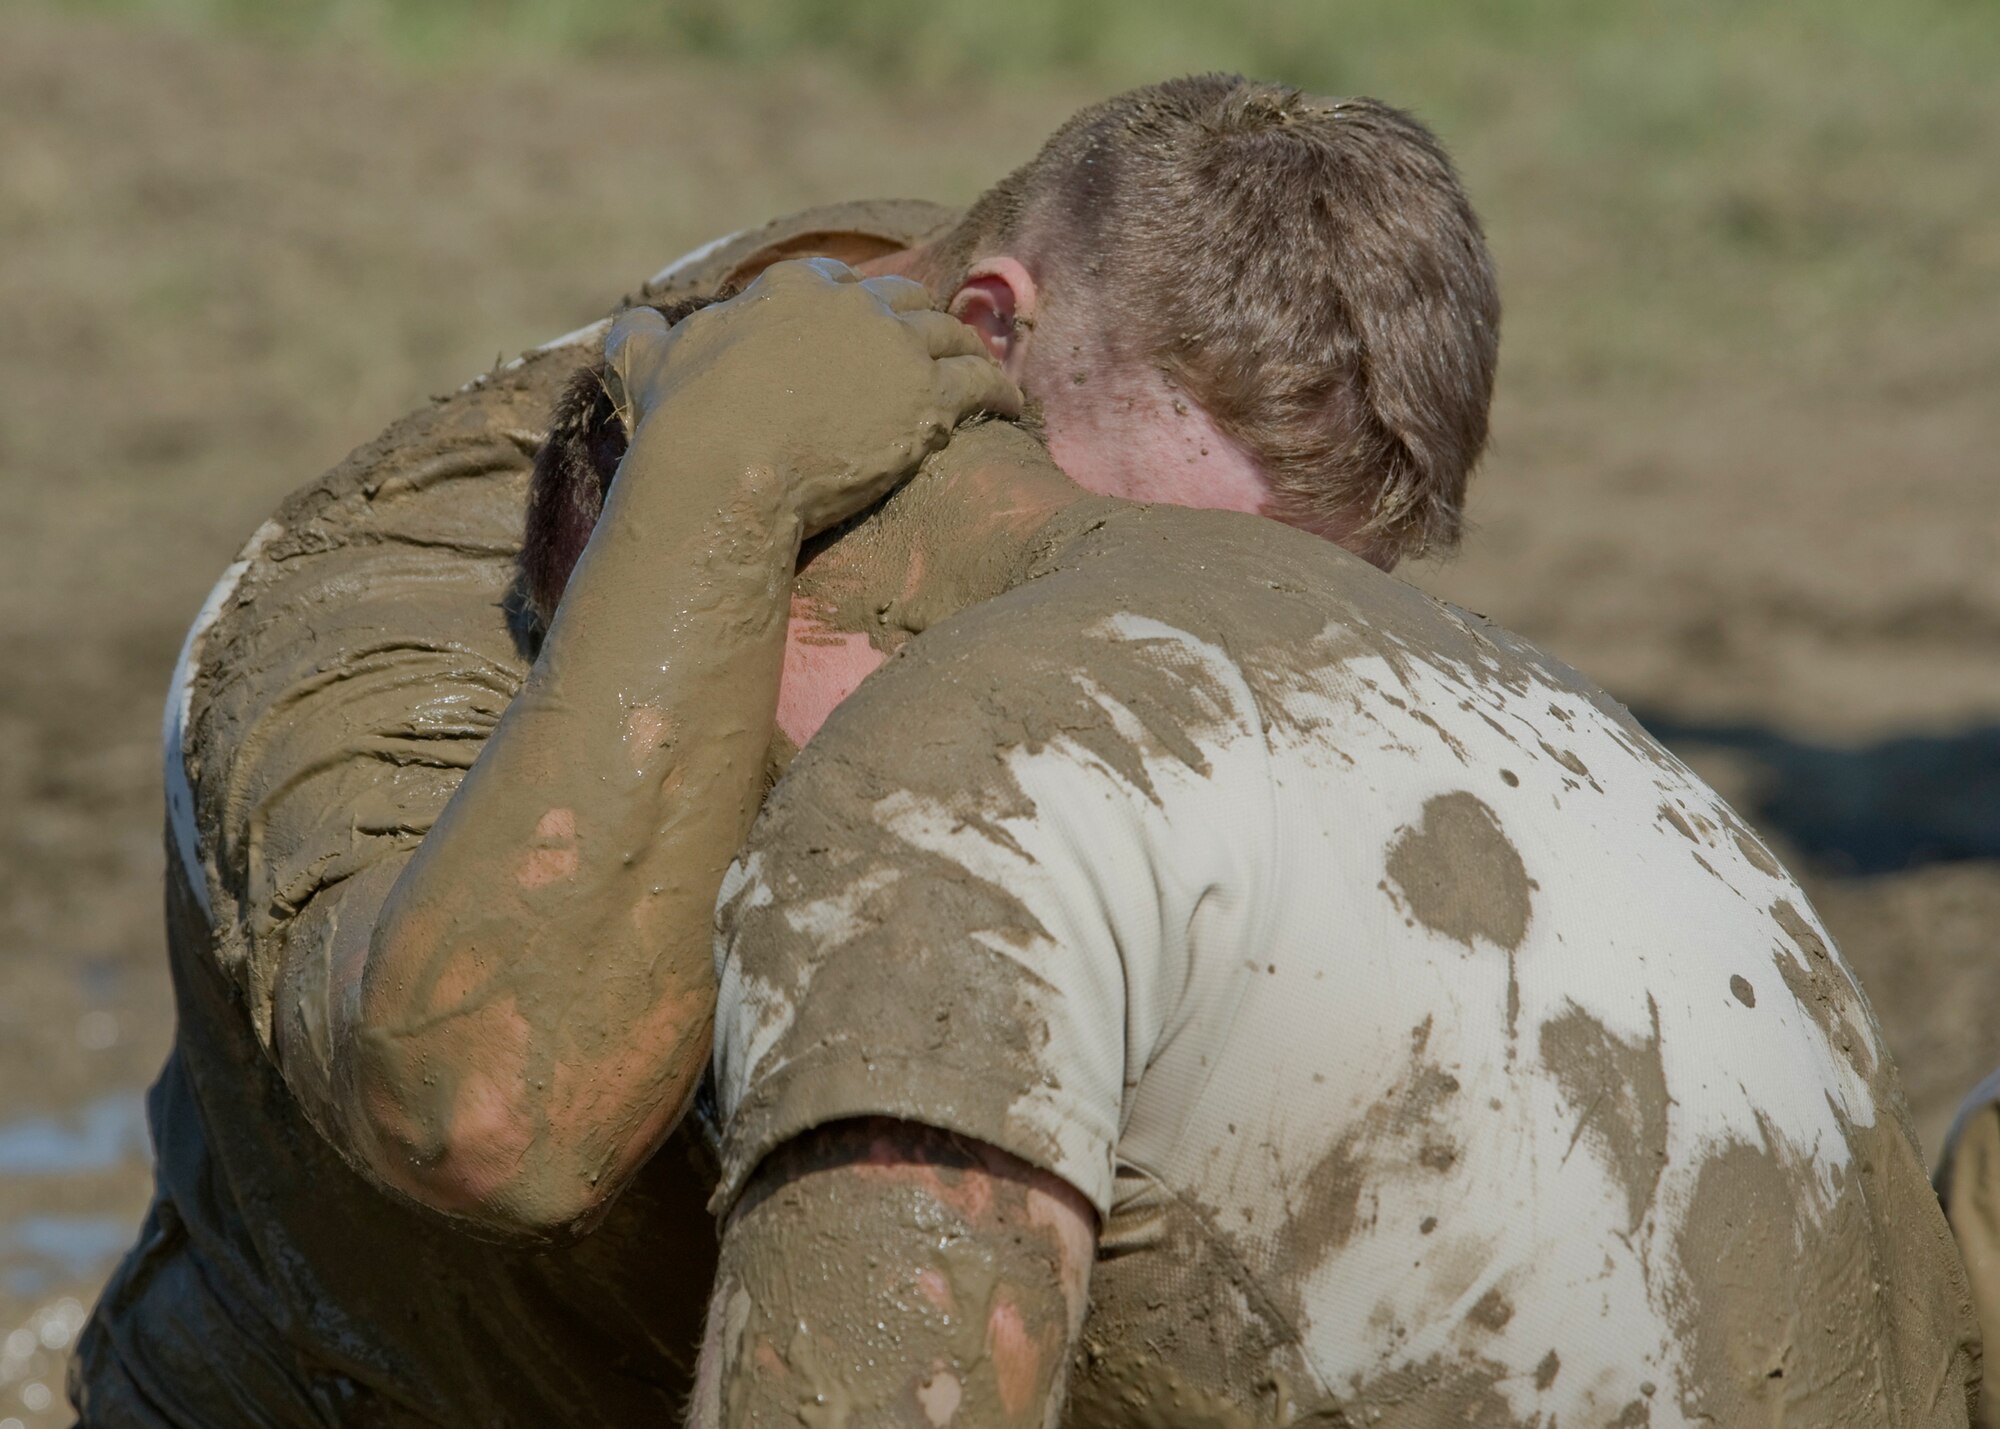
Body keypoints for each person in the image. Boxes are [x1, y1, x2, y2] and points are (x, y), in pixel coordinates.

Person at [72, 76, 1501, 1426]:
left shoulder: (1010, 326)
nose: (1184, 642)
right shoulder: (381, 627)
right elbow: (484, 1111)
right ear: (986, 336)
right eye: (1120, 560)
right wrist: (728, 475)